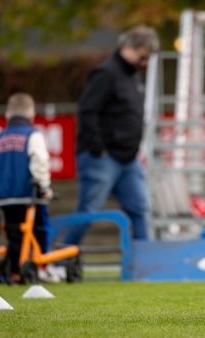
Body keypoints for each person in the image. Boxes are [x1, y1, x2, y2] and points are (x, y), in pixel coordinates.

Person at [63, 25, 159, 244]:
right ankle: (61, 260)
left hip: (128, 159)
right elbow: (88, 110)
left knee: (140, 210)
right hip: (103, 158)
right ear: (128, 47)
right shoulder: (106, 74)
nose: (144, 63)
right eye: (142, 57)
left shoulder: (133, 77)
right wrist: (99, 148)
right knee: (88, 211)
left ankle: (145, 267)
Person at [0, 93, 58, 283]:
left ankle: (14, 270)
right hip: (29, 196)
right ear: (32, 115)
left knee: (14, 234)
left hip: (5, 197)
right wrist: (44, 187)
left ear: (7, 115)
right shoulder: (33, 135)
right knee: (40, 230)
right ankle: (42, 266)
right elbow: (40, 161)